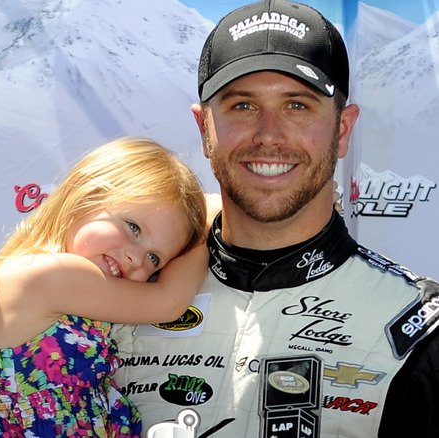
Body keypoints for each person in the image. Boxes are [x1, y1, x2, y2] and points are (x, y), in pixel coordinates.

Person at [112, 1, 439, 437]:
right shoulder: (117, 294)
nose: (268, 135)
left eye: (297, 106)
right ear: (204, 129)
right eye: (242, 106)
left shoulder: (418, 328)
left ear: (342, 129)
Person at [0, 137, 214, 436]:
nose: (136, 258)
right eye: (133, 227)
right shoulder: (51, 275)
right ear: (86, 195)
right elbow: (169, 301)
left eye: (154, 258)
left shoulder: (36, 276)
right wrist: (211, 223)